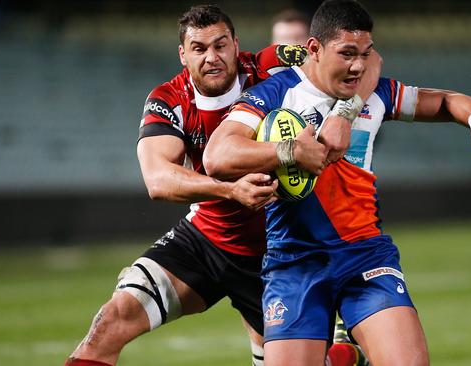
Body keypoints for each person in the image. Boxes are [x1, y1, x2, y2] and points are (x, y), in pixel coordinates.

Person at [65, 5, 379, 366]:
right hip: (208, 240)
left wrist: (345, 112)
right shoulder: (169, 100)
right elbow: (157, 179)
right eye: (199, 49)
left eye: (220, 45)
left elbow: (369, 60)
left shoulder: (272, 65)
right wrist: (230, 191)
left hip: (281, 255)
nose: (212, 57)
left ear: (236, 44)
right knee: (109, 322)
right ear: (183, 55)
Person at [203, 1, 471, 365]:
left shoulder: (374, 92)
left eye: (364, 53)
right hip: (294, 261)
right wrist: (290, 151)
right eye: (347, 53)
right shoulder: (275, 92)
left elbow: (445, 100)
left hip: (364, 254)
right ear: (314, 49)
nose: (358, 65)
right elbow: (216, 157)